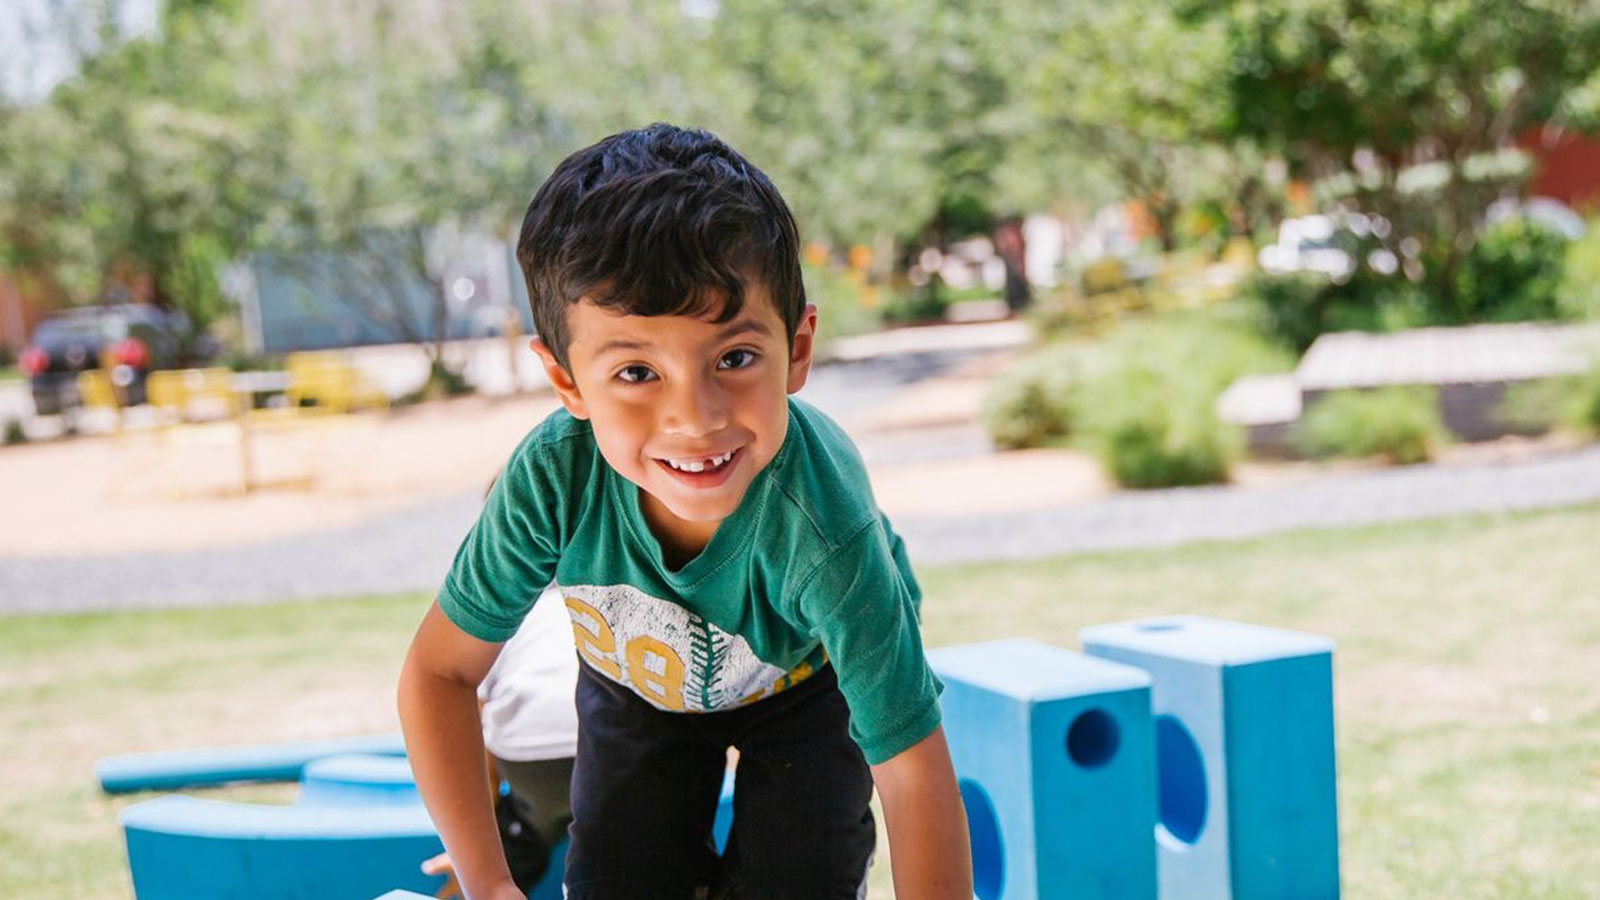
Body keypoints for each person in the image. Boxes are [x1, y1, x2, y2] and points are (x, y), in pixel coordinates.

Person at [397, 123, 972, 900]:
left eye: (733, 358)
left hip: (805, 678)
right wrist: (489, 883)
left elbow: (911, 772)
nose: (694, 418)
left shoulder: (823, 527)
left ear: (797, 348)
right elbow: (439, 671)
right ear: (567, 382)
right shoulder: (553, 481)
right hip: (639, 681)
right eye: (637, 371)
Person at [421, 584, 579, 897]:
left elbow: (474, 722)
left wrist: (482, 830)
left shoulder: (514, 613)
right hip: (606, 744)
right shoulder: (604, 601)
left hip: (529, 756)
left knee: (521, 837)